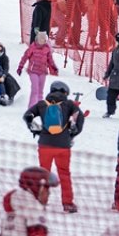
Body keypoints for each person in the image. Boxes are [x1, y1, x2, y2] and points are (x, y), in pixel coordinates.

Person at [23, 80, 85, 213]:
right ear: (65, 92)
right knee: (64, 173)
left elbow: (27, 116)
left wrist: (35, 129)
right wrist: (73, 132)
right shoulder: (69, 104)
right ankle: (67, 203)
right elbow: (80, 118)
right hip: (63, 145)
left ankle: (40, 200)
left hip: (45, 144)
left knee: (43, 173)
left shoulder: (41, 104)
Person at [0, 167, 57, 236]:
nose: (48, 193)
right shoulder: (33, 209)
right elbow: (38, 233)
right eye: (46, 189)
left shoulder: (11, 212)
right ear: (38, 188)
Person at [17, 32, 58, 108]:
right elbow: (25, 57)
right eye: (41, 39)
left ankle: (40, 107)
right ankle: (32, 106)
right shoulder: (32, 47)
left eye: (44, 39)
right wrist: (20, 67)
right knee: (35, 89)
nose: (42, 40)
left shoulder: (47, 49)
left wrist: (53, 68)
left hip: (43, 72)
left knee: (40, 91)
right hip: (33, 71)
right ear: (37, 39)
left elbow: (50, 60)